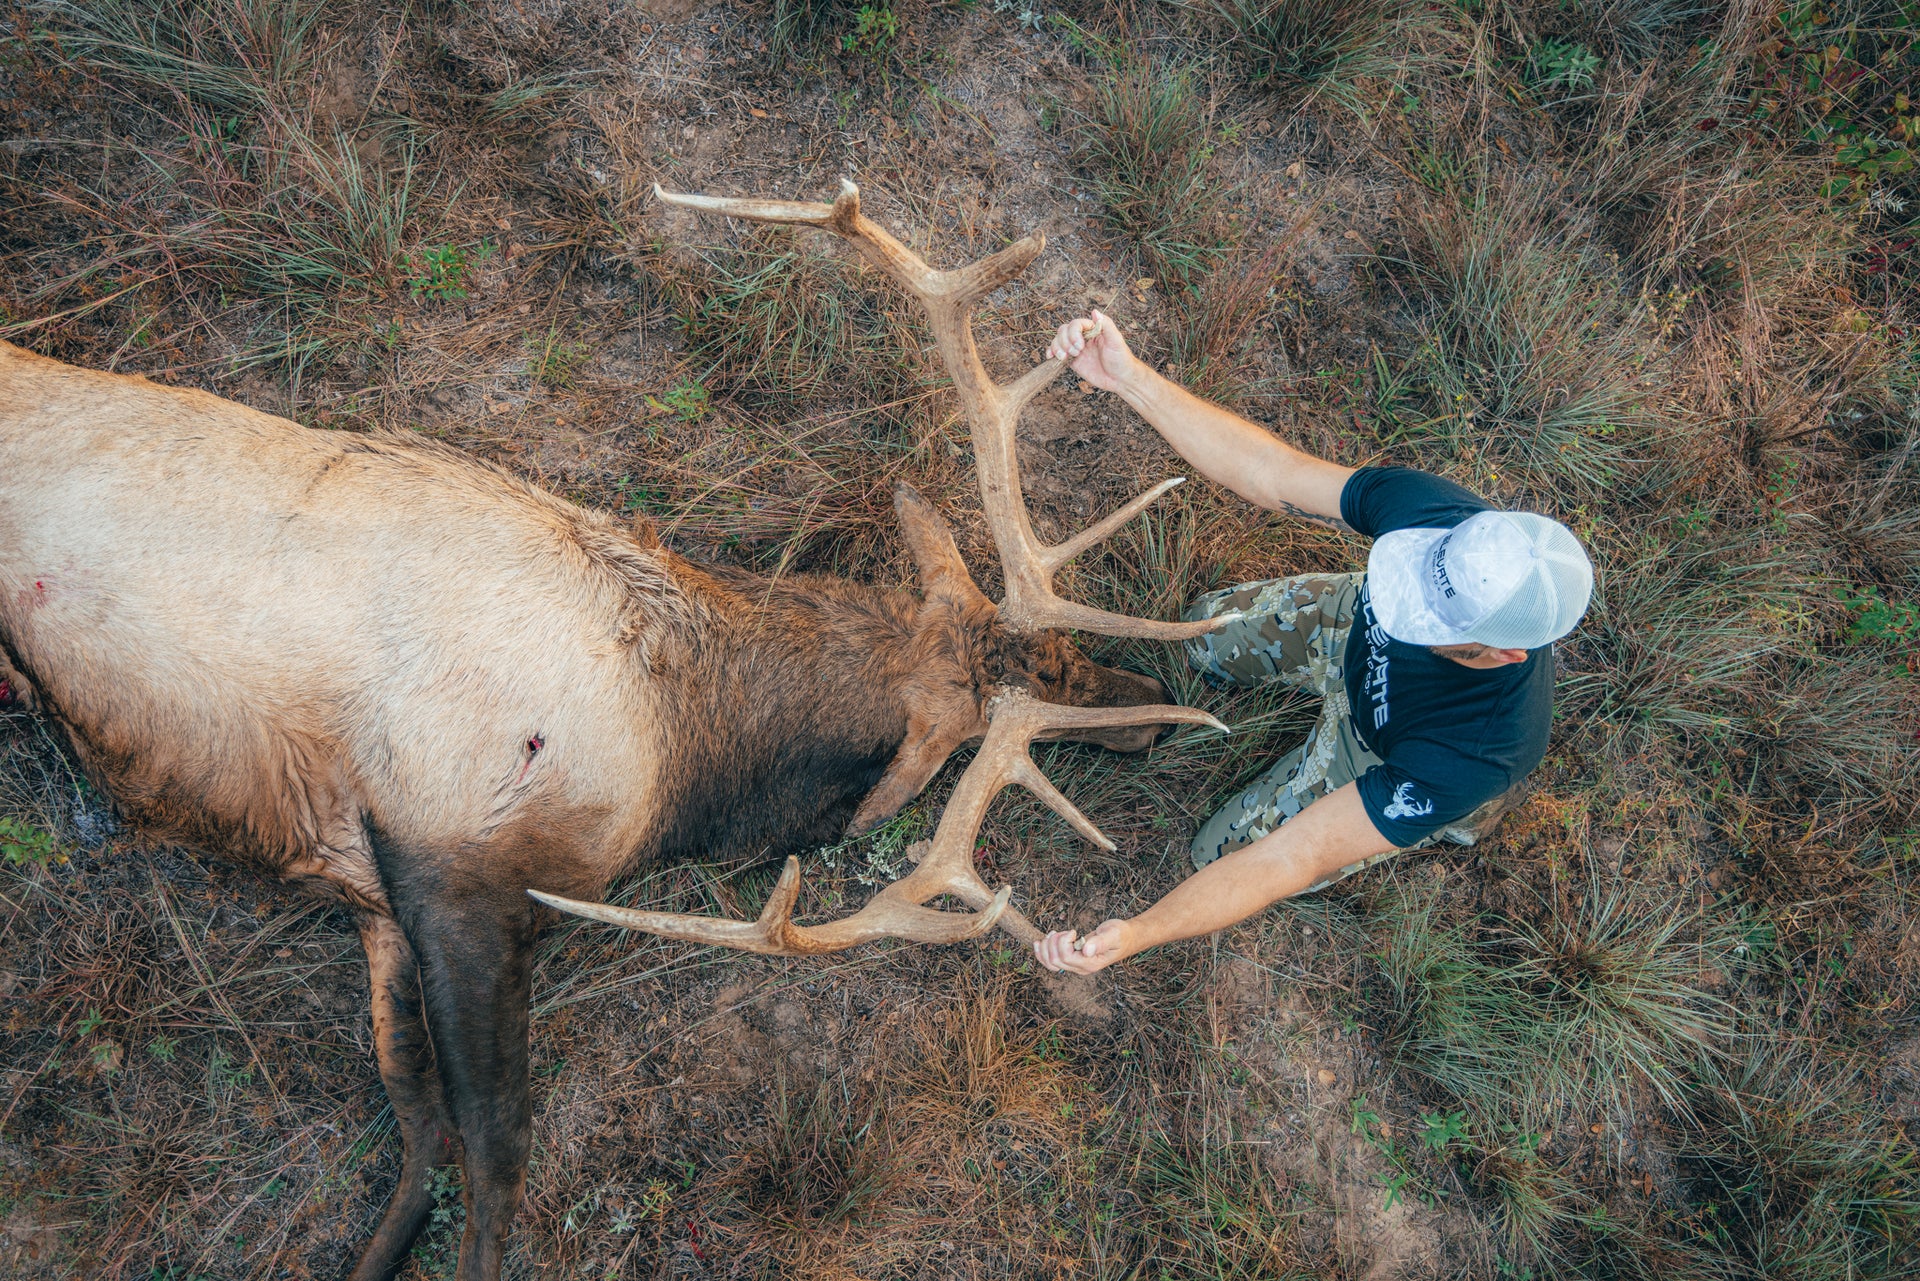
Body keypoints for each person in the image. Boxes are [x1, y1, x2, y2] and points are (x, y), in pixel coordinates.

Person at [1031, 312, 1594, 976]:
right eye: (1413, 577)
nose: (1401, 608)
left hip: (1379, 751)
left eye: (1431, 622)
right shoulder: (1436, 514)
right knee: (1202, 633)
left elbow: (1290, 857)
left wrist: (1138, 932)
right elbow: (1271, 470)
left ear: (1504, 654)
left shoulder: (1478, 749)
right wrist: (1128, 378)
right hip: (1340, 626)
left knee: (1219, 857)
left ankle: (1460, 818)